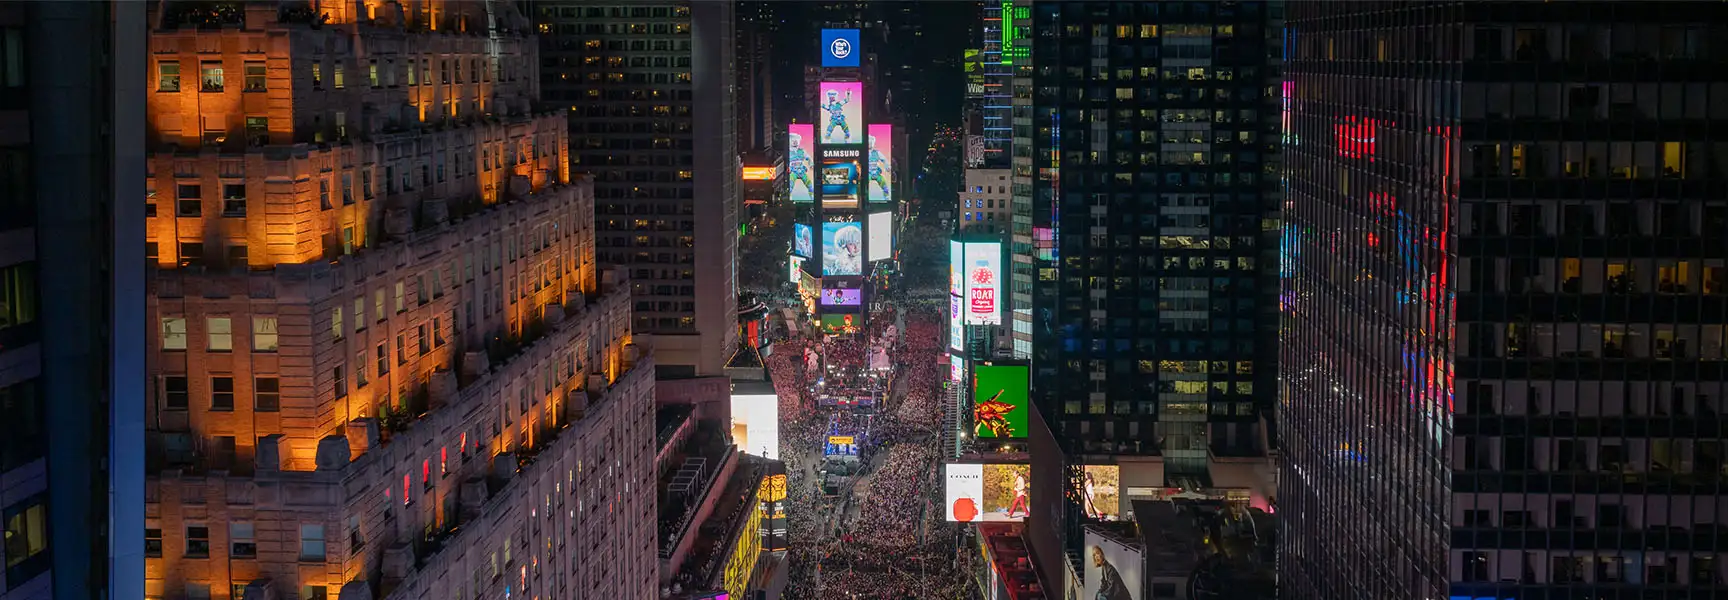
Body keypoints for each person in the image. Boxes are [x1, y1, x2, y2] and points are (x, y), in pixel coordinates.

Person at [789, 131, 814, 199]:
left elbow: (809, 158)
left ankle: (812, 195)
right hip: (793, 172)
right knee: (790, 185)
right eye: (793, 140)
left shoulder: (802, 151)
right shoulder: (788, 152)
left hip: (802, 170)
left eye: (796, 140)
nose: (795, 142)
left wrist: (811, 164)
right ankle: (789, 196)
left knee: (809, 184)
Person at [867, 135, 890, 199]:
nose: (869, 144)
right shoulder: (863, 152)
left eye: (870, 142)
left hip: (876, 172)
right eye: (868, 142)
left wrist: (887, 166)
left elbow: (884, 160)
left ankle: (886, 196)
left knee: (883, 182)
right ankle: (864, 196)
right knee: (864, 184)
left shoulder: (877, 153)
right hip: (867, 173)